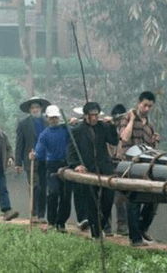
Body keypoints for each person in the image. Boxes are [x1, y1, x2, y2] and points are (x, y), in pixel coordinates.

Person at [67, 102, 118, 239]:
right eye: (92, 115)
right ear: (85, 116)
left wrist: (113, 126)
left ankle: (101, 224)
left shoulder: (104, 127)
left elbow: (114, 141)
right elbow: (71, 151)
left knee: (108, 200)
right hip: (88, 169)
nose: (94, 118)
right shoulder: (78, 130)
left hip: (105, 168)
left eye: (96, 115)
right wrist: (76, 165)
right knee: (91, 201)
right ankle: (96, 232)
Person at [120, 91, 160, 247]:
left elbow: (150, 149)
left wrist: (154, 140)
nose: (147, 108)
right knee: (133, 200)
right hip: (130, 165)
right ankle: (135, 238)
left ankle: (142, 228)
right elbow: (124, 137)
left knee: (153, 198)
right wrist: (131, 120)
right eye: (145, 105)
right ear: (138, 103)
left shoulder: (149, 125)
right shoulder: (127, 118)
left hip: (146, 166)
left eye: (150, 106)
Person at [33, 105, 71, 232]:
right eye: (51, 118)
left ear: (59, 118)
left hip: (66, 165)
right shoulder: (44, 135)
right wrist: (34, 155)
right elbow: (39, 151)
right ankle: (52, 221)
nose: (54, 120)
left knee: (66, 195)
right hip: (52, 165)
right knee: (53, 192)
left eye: (56, 117)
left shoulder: (66, 130)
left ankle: (61, 223)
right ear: (48, 119)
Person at [15, 96, 50, 223]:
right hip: (30, 160)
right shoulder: (23, 124)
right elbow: (19, 144)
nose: (35, 109)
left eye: (37, 107)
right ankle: (34, 213)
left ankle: (42, 215)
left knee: (44, 187)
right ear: (29, 110)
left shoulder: (47, 122)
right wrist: (18, 162)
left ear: (41, 108)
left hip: (45, 160)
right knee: (35, 186)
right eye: (33, 108)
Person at [108, 104, 128, 236]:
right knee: (106, 198)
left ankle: (122, 226)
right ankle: (106, 226)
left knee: (120, 199)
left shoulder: (127, 130)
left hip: (122, 166)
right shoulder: (108, 128)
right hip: (109, 165)